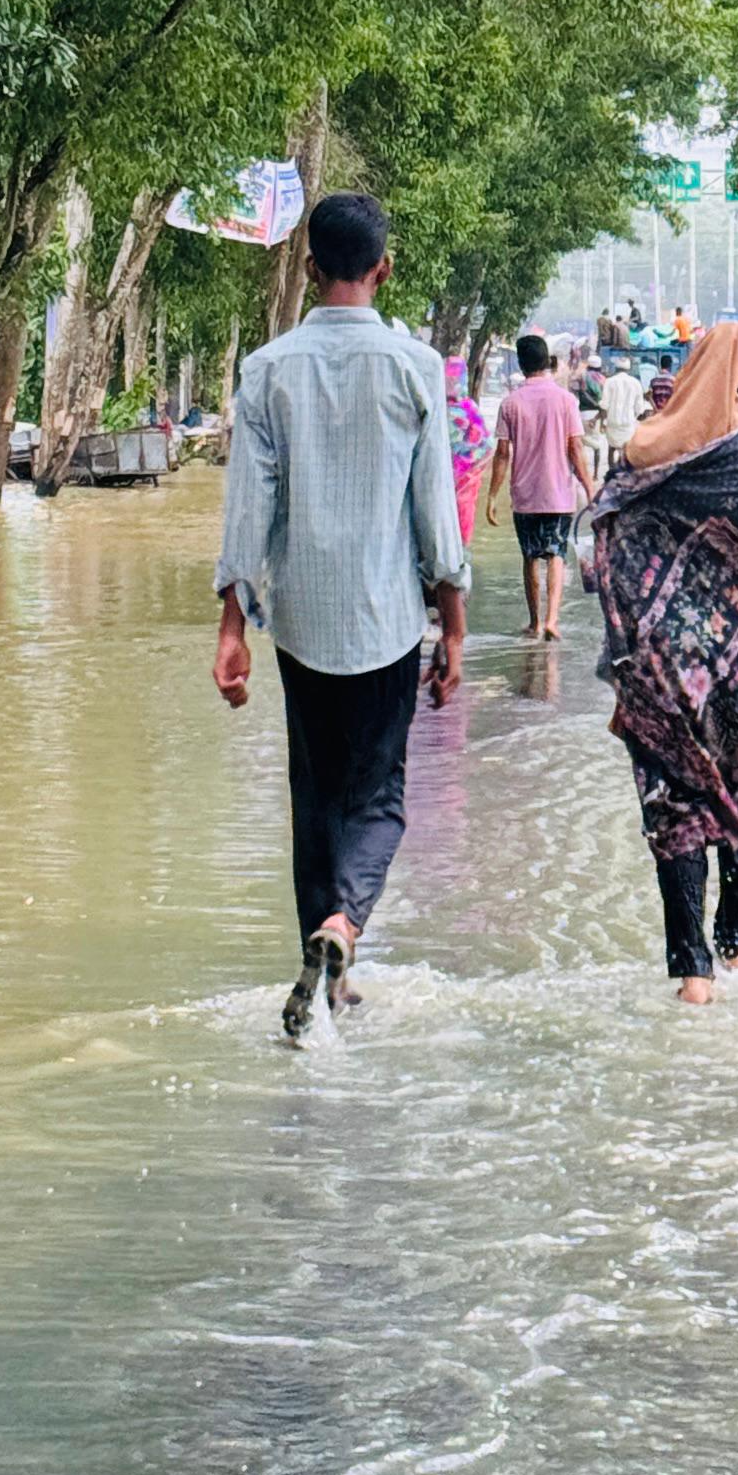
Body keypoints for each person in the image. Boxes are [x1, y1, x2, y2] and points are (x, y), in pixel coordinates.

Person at [214, 192, 469, 1043]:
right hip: (388, 618)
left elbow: (250, 511)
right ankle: (344, 928)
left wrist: (231, 626)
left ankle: (325, 972)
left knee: (315, 792)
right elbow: (436, 513)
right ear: (384, 268)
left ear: (310, 268)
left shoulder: (266, 370)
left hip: (302, 622)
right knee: (380, 795)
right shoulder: (415, 368)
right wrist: (454, 623)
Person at [588, 319, 738, 1006]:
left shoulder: (644, 459)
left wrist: (630, 628)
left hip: (659, 673)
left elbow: (604, 538)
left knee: (674, 812)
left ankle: (693, 973)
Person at [486, 327, 589, 640]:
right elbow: (576, 449)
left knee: (530, 557)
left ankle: (534, 622)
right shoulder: (567, 401)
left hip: (526, 496)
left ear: (521, 364)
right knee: (556, 554)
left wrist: (492, 496)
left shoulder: (510, 403)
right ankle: (552, 620)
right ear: (548, 361)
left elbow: (502, 454)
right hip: (560, 494)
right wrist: (590, 487)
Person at [444, 354, 490, 544]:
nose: (451, 381)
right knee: (459, 536)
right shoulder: (470, 409)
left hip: (442, 480)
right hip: (464, 482)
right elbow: (486, 448)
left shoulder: (433, 407)